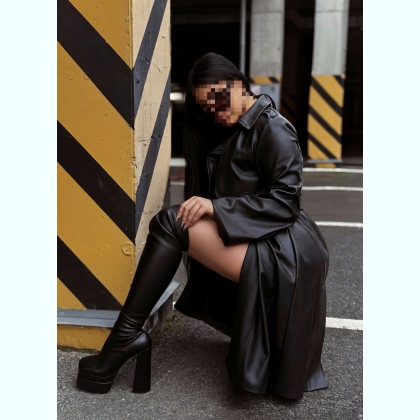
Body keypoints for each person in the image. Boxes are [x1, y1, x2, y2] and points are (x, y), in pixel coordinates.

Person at [77, 52, 329, 400]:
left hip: (285, 247)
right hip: (263, 235)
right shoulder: (234, 128)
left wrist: (216, 207)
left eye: (220, 99)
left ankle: (123, 340)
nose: (217, 111)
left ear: (238, 84)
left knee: (172, 222)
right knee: (174, 221)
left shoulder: (273, 127)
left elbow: (285, 202)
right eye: (208, 107)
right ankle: (126, 337)